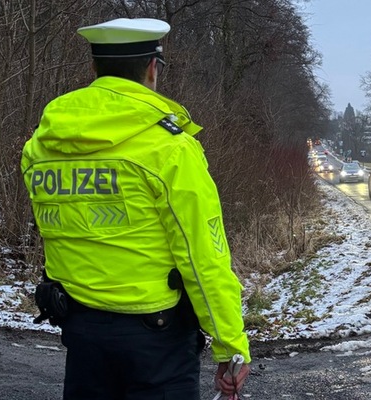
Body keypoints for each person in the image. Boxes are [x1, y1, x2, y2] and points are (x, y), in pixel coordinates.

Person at [21, 17, 250, 399]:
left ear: (94, 68)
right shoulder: (170, 149)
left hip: (81, 333)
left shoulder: (42, 146)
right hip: (156, 340)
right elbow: (203, 258)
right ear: (151, 68)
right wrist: (229, 344)